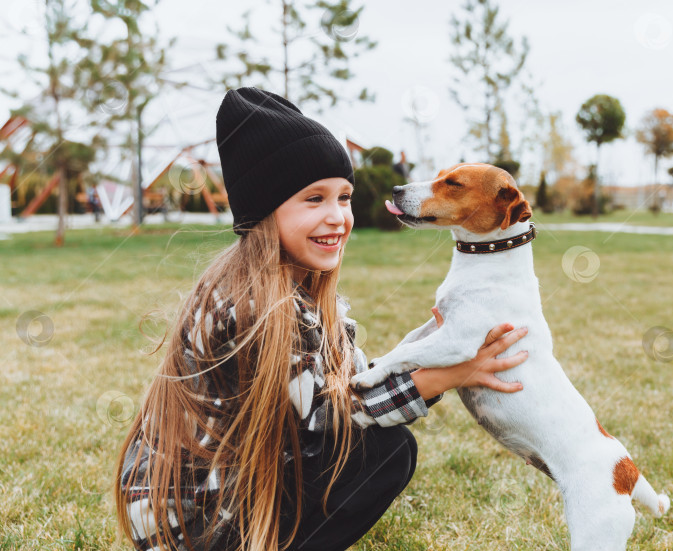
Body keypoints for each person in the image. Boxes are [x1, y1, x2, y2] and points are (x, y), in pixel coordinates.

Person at [114, 87, 528, 551]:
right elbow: (332, 417)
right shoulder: (252, 304)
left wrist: (438, 343)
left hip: (232, 498)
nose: (338, 217)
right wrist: (449, 375)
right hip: (195, 527)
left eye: (344, 197)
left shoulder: (302, 293)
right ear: (265, 211)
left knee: (379, 447)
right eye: (314, 199)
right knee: (382, 454)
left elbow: (352, 385)